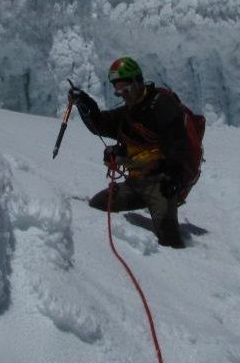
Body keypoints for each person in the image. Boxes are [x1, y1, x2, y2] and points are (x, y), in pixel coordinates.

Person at [70, 57, 189, 248]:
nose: (122, 93)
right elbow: (100, 123)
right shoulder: (130, 112)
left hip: (161, 184)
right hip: (135, 183)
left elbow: (178, 145)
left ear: (138, 81)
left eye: (125, 87)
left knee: (170, 239)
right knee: (99, 204)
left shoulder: (162, 106)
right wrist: (83, 101)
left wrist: (174, 178)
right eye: (118, 89)